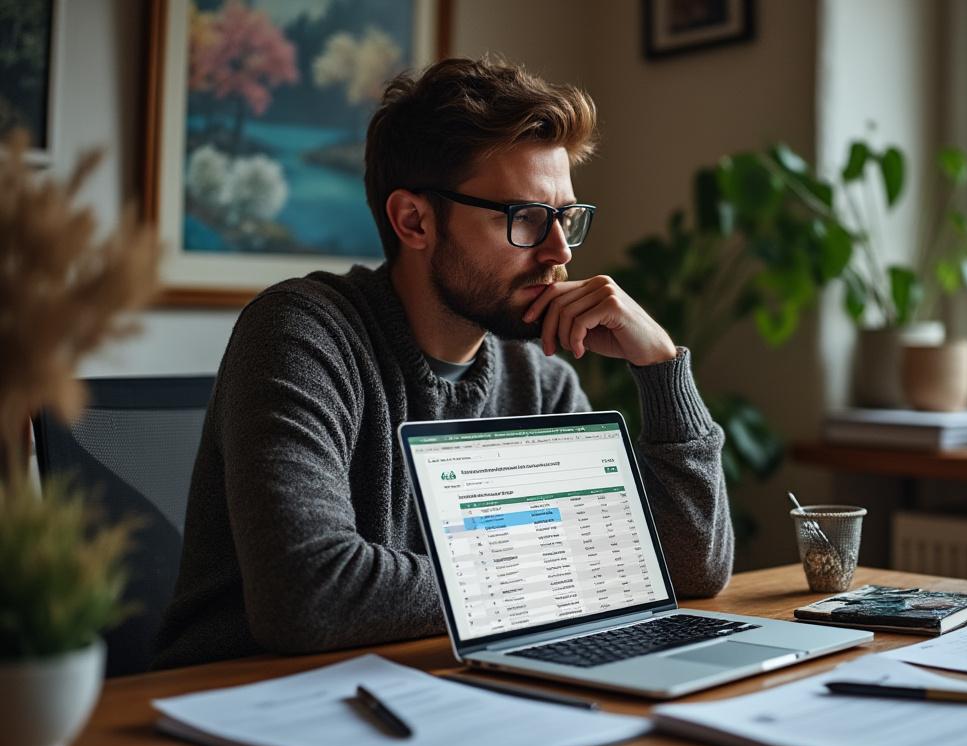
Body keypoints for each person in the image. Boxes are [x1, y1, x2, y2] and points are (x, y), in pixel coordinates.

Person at [154, 57, 733, 669]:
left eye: (565, 217)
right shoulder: (301, 334)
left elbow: (691, 566)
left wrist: (662, 365)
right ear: (414, 220)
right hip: (243, 702)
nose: (560, 251)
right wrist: (563, 571)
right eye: (525, 218)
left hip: (444, 682)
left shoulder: (540, 379)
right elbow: (308, 592)